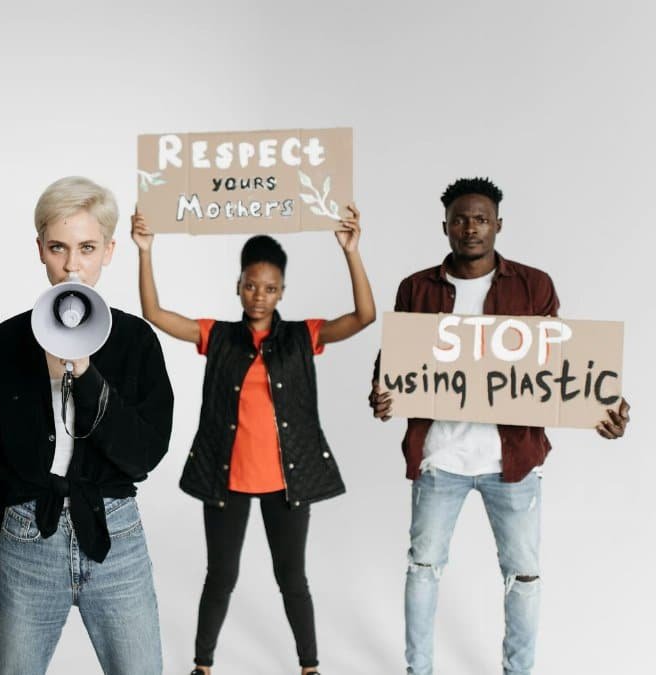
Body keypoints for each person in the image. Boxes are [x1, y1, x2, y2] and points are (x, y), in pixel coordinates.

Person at [369, 177, 631, 675]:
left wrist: (602, 403)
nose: (471, 228)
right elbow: (394, 362)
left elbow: (557, 361)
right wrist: (381, 395)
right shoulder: (416, 287)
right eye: (460, 219)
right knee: (422, 569)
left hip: (513, 460)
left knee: (524, 576)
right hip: (439, 458)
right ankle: (417, 670)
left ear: (498, 225)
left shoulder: (534, 285)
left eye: (481, 219)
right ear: (445, 227)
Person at [132, 206, 374, 675]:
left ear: (282, 291)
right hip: (226, 480)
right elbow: (154, 314)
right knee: (221, 576)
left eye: (270, 288)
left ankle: (309, 667)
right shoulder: (217, 336)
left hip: (288, 482)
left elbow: (364, 316)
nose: (259, 296)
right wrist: (146, 251)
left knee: (292, 578)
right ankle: (202, 665)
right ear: (238, 285)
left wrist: (351, 251)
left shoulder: (304, 336)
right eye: (250, 285)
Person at [0, 177, 173, 675]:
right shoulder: (2, 346)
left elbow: (143, 456)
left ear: (109, 251)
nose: (72, 265)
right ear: (40, 249)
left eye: (87, 248)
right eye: (58, 248)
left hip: (116, 538)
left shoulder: (136, 341)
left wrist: (87, 373)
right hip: (26, 543)